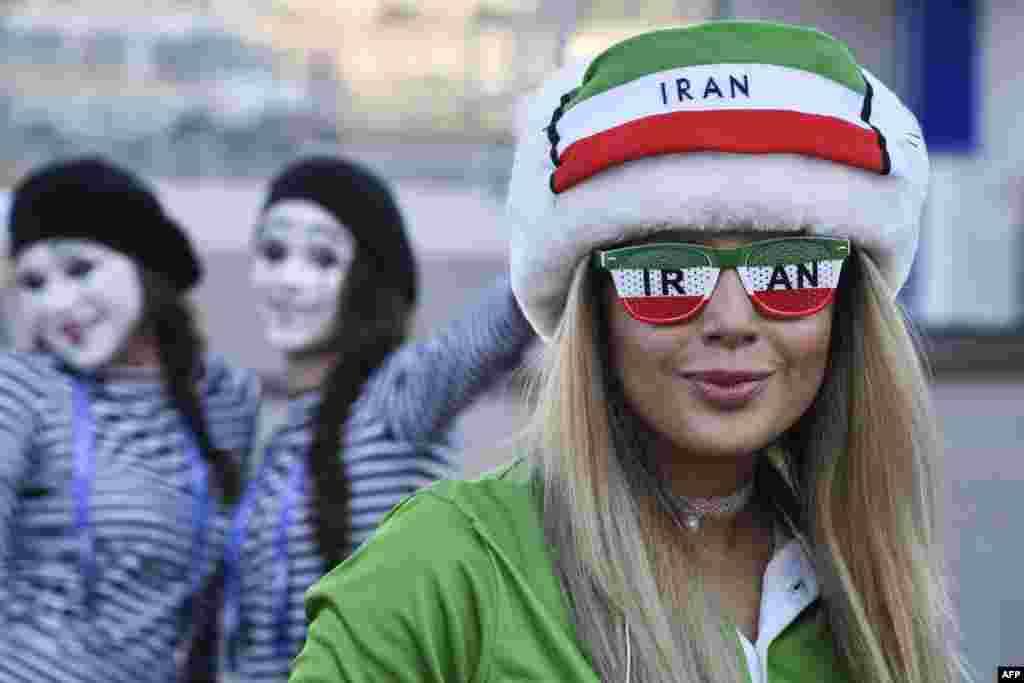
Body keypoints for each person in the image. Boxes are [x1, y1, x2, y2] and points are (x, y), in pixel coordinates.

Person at [288, 21, 970, 683]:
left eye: (789, 270)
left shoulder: (872, 588)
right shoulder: (444, 571)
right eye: (665, 274)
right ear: (596, 310)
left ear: (847, 308)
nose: (732, 320)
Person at [222, 157, 535, 681]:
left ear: (370, 279)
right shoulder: (266, 427)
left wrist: (581, 220)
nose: (288, 281)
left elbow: (511, 309)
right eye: (273, 253)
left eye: (322, 258)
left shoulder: (398, 399)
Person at [0, 157, 259, 682]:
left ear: (144, 264)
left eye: (80, 269)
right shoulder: (23, 388)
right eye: (33, 283)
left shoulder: (226, 398)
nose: (58, 303)